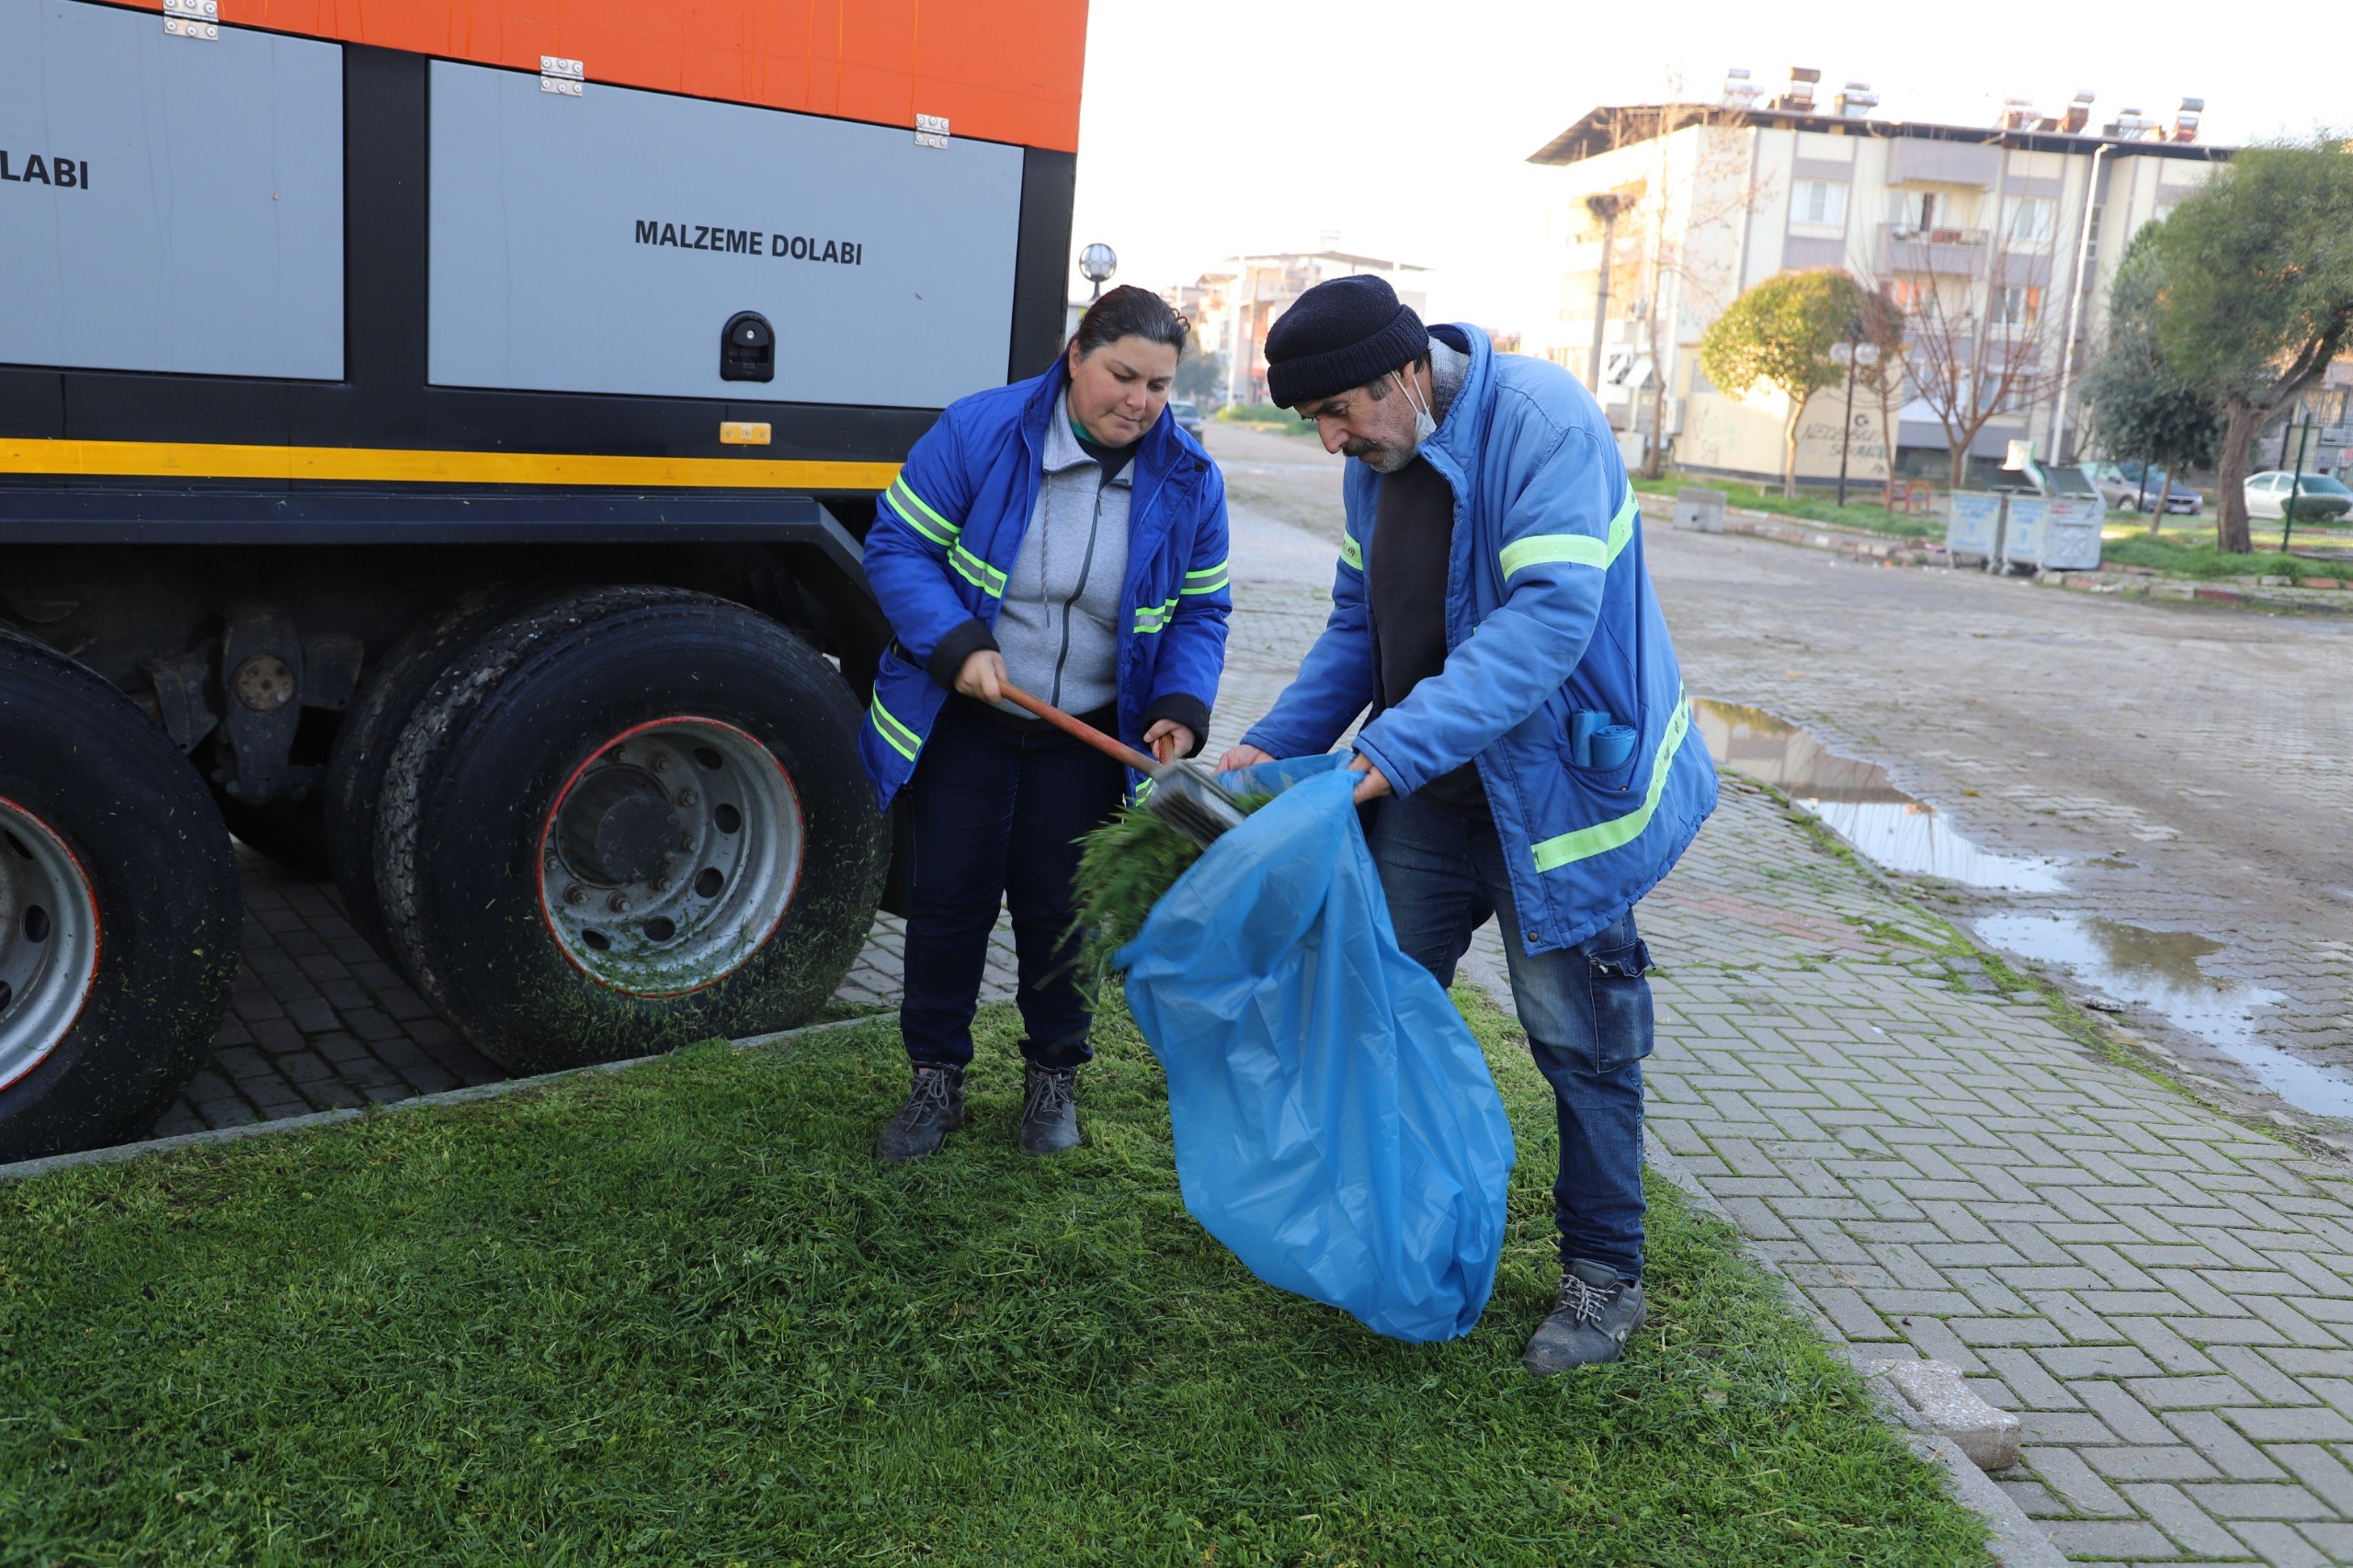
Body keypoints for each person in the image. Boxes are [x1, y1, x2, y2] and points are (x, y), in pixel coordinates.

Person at [1217, 274, 1716, 1375]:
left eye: (1342, 412)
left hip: (1554, 805)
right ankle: (1396, 1224)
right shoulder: (1375, 464)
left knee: (1582, 1043)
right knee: (1377, 1012)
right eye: (1316, 423)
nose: (1333, 440)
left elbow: (1545, 624)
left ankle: (1602, 1275)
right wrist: (1274, 736)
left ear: (1405, 373)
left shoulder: (1542, 423)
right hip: (1431, 805)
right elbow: (1359, 625)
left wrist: (1383, 753)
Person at [858, 286, 1232, 1163]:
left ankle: (1053, 1079)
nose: (1138, 403)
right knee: (949, 900)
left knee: (1065, 911)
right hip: (970, 717)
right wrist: (956, 644)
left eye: (1160, 385)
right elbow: (899, 547)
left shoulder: (1189, 479)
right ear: (1076, 356)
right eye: (1121, 375)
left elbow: (1201, 615)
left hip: (1087, 735)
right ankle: (935, 1080)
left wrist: (1179, 710)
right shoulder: (980, 431)